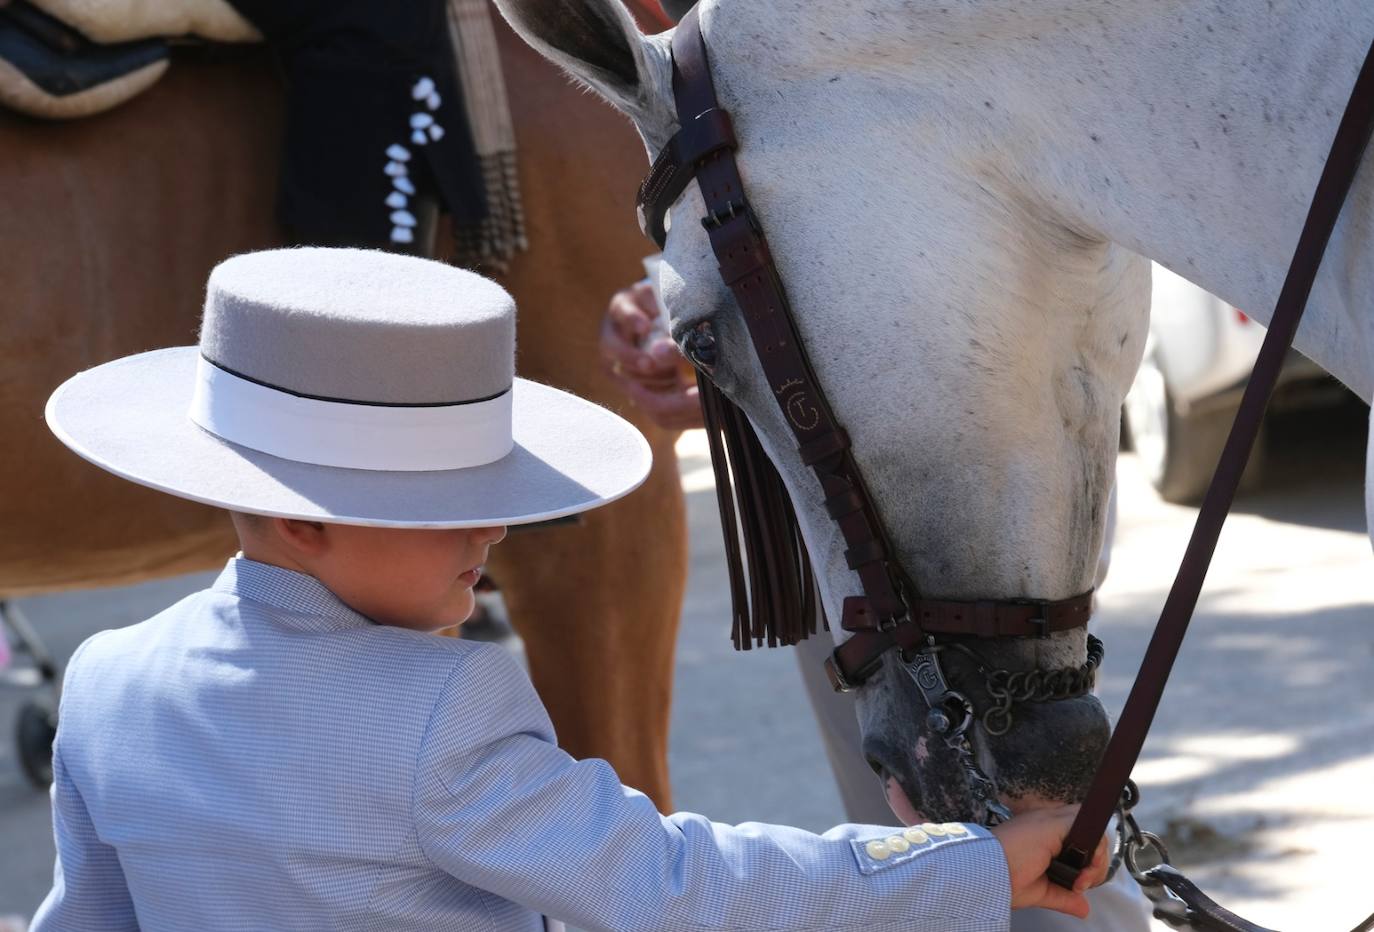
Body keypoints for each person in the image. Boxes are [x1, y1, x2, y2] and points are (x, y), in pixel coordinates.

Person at [33, 247, 1106, 931]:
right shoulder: (441, 709)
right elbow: (678, 884)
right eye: (456, 501)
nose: (496, 529)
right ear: (309, 516)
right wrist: (963, 867)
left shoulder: (104, 682)